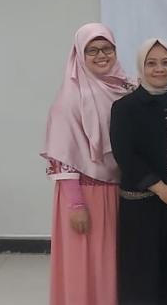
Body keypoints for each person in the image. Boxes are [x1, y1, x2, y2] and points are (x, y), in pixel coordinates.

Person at [41, 23, 133, 305]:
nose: (101, 55)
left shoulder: (126, 88)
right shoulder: (70, 98)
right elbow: (63, 154)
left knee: (111, 265)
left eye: (107, 48)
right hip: (84, 193)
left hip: (117, 192)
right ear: (79, 54)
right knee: (83, 266)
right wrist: (76, 205)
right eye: (92, 50)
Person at [110, 38, 167, 304]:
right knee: (144, 276)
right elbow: (125, 155)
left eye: (166, 62)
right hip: (143, 206)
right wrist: (161, 188)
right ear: (141, 67)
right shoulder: (125, 108)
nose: (159, 69)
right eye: (151, 63)